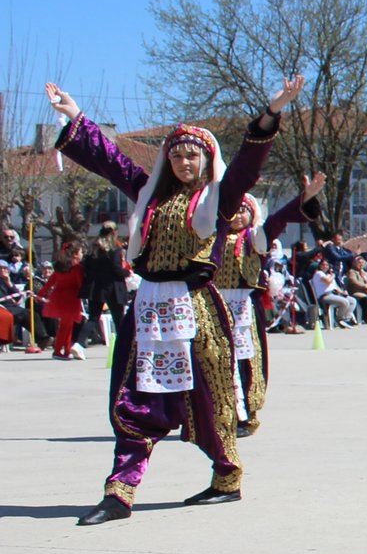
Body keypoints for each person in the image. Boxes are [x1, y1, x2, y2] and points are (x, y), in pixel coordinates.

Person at [45, 76, 300, 524]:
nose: (184, 161)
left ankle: (227, 476)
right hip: (148, 307)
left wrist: (271, 112)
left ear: (206, 160)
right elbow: (111, 162)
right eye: (177, 154)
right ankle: (120, 491)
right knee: (131, 396)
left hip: (197, 307)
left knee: (210, 398)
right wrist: (75, 116)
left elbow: (246, 165)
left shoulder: (219, 200)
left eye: (193, 154)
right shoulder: (150, 192)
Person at [215, 172, 324, 436]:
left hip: (243, 306)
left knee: (243, 360)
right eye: (233, 211)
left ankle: (243, 415)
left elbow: (277, 221)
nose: (238, 216)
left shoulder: (255, 238)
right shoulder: (213, 236)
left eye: (243, 211)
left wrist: (302, 200)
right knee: (214, 360)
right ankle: (215, 415)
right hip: (215, 303)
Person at [38, 248, 86, 359]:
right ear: (74, 254)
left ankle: (67, 350)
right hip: (71, 299)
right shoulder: (76, 268)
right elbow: (80, 283)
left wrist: (41, 294)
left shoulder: (60, 268)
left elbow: (50, 282)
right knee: (66, 326)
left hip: (59, 297)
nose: (82, 254)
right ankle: (58, 351)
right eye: (80, 252)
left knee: (66, 325)